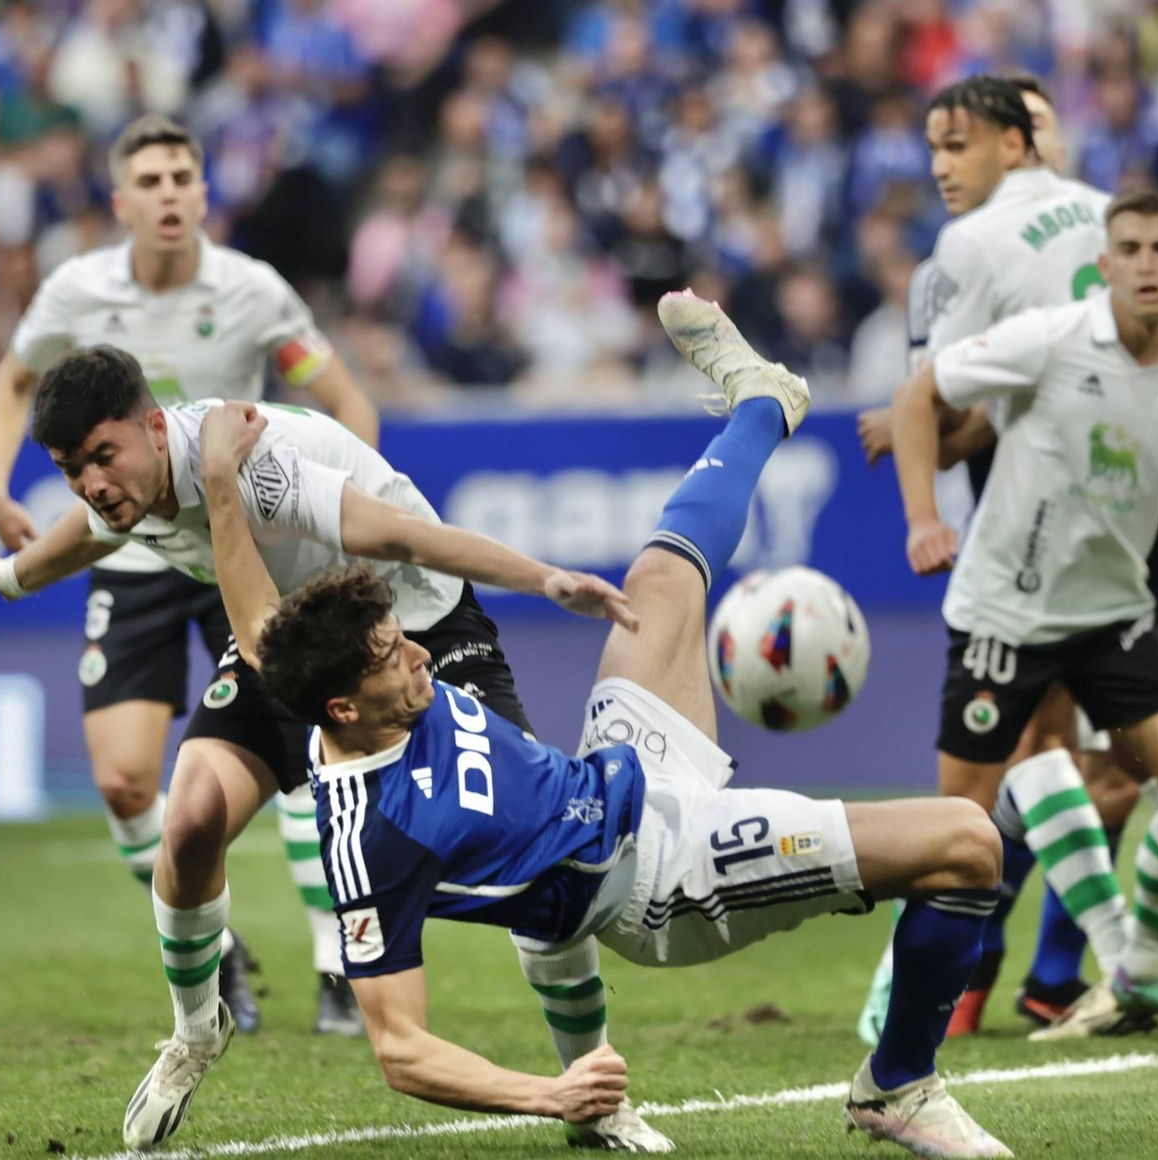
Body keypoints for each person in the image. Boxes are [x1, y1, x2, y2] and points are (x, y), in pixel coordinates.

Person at [193, 293, 1016, 1159]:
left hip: (617, 773)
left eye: (405, 641)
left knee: (658, 578)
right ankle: (899, 1085)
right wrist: (551, 1094)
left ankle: (763, 396)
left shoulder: (320, 682)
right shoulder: (373, 836)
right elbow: (401, 1050)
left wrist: (219, 486)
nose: (423, 660)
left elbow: (260, 632)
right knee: (968, 843)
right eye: (396, 660)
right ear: (344, 709)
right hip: (663, 880)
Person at [0, 344, 642, 1153]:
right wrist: (5, 578)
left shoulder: (253, 463)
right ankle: (196, 1032)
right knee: (192, 816)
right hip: (291, 635)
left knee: (540, 852)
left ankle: (594, 1089)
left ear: (154, 426)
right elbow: (84, 535)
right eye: (72, 469)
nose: (93, 484)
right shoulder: (124, 486)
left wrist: (546, 579)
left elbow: (404, 537)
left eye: (102, 457)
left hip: (413, 621)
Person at [856, 76, 1158, 1042]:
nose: (943, 165)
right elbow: (947, 413)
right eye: (933, 147)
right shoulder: (1037, 301)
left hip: (1119, 569)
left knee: (1144, 776)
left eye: (961, 144)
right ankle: (972, 981)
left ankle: (1107, 970)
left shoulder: (1147, 324)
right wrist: (923, 486)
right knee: (992, 798)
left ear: (1028, 145)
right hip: (1019, 571)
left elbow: (945, 420)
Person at [0, 114, 380, 1035]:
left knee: (302, 756)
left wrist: (339, 503)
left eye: (183, 177)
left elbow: (344, 395)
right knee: (124, 781)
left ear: (205, 192)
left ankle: (335, 967)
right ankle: (215, 941)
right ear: (120, 202)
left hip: (248, 546)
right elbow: (11, 381)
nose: (169, 194)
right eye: (150, 181)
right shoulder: (77, 292)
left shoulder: (253, 291)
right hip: (139, 549)